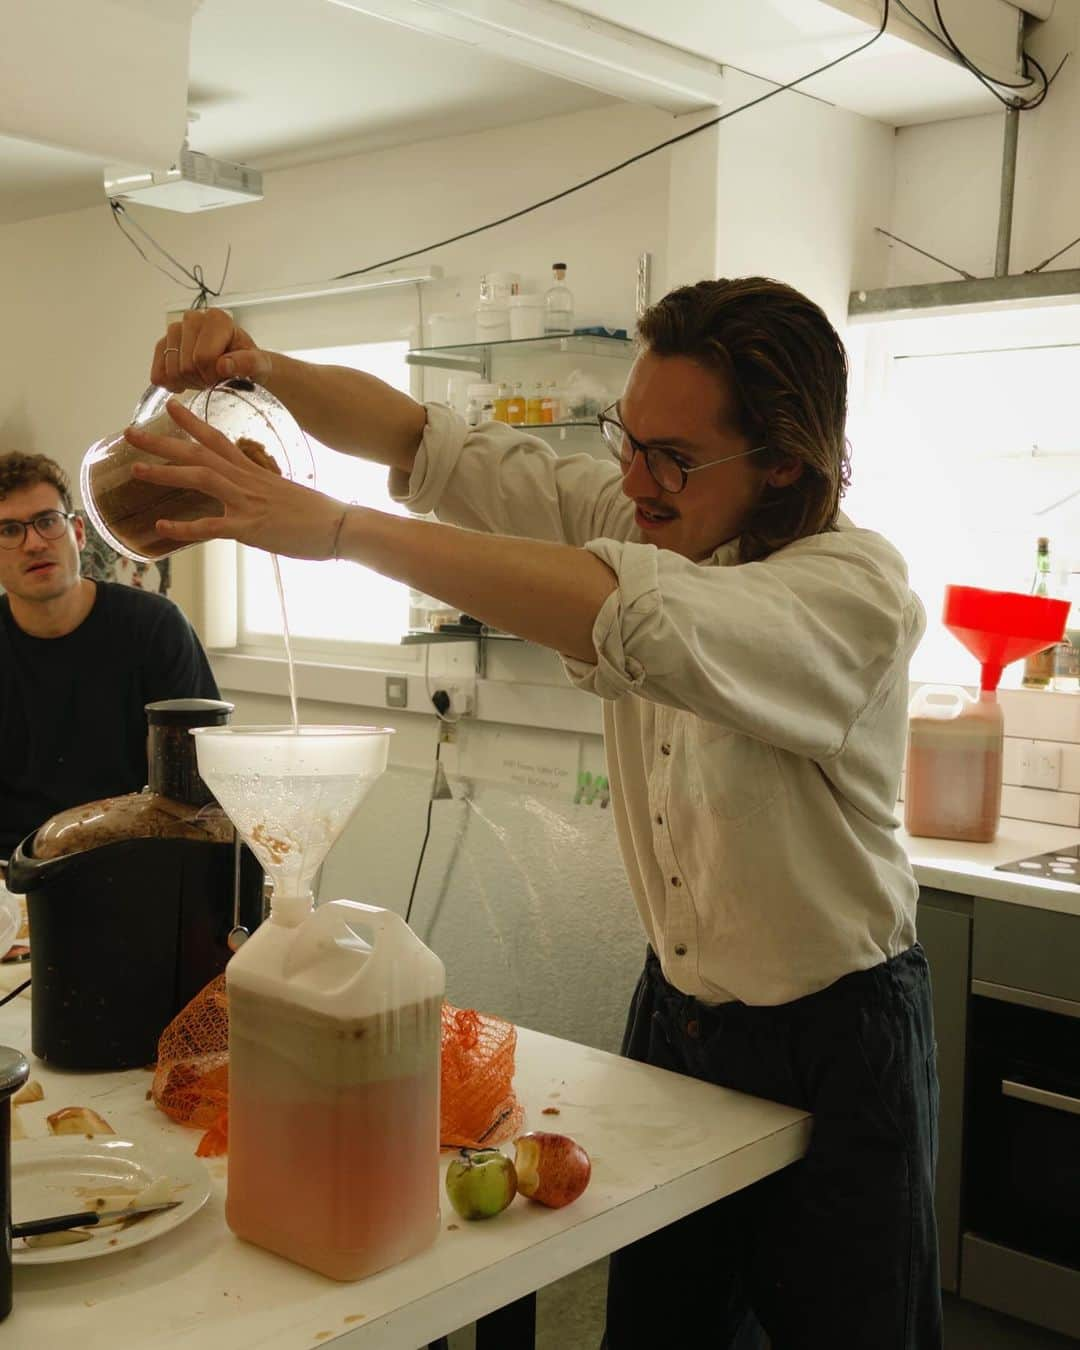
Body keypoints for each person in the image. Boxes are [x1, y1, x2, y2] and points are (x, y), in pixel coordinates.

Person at [131, 279, 939, 1349]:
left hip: (840, 1029)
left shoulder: (852, 592)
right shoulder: (659, 515)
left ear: (784, 459)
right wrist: (257, 367)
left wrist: (330, 530)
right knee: (662, 1329)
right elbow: (430, 443)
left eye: (674, 458)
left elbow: (625, 610)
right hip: (682, 1016)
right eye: (627, 438)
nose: (634, 479)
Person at [0, 452, 220, 856]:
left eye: (47, 522)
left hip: (136, 858)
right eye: (10, 531)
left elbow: (201, 790)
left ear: (78, 533)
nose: (33, 544)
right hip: (9, 873)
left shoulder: (156, 628)